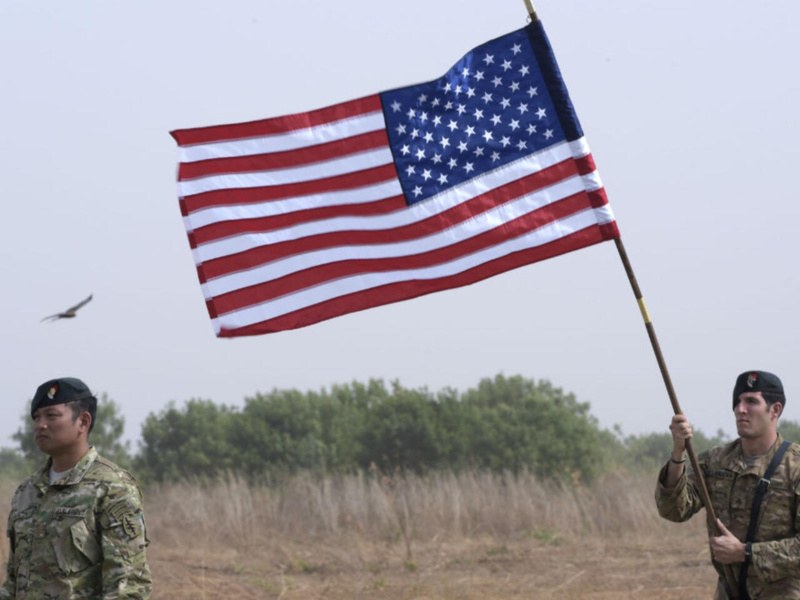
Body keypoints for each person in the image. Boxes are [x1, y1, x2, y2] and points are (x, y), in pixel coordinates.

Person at [0, 377, 151, 599]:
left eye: (51, 416)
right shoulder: (27, 492)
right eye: (37, 417)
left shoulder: (112, 487)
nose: (40, 425)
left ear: (83, 422)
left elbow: (128, 584)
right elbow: (13, 578)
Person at [656, 370, 800, 599]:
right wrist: (678, 453)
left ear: (775, 410)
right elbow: (673, 510)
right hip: (729, 592)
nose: (741, 409)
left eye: (752, 401)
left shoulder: (796, 466)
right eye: (738, 402)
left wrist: (745, 552)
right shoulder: (714, 461)